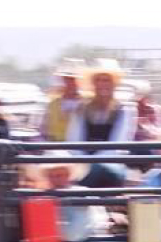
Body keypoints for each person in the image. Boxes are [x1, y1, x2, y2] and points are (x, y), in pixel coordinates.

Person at [67, 59, 136, 188]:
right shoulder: (81, 108)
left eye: (106, 80)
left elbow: (118, 144)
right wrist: (83, 161)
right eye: (98, 80)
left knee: (95, 172)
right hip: (82, 163)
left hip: (112, 164)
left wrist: (93, 163)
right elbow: (73, 140)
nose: (102, 84)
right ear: (93, 84)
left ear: (114, 84)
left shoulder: (124, 110)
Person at [41, 62, 85, 140]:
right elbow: (45, 131)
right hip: (56, 148)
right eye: (66, 80)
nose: (70, 83)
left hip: (79, 148)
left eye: (72, 80)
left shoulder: (86, 104)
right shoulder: (52, 105)